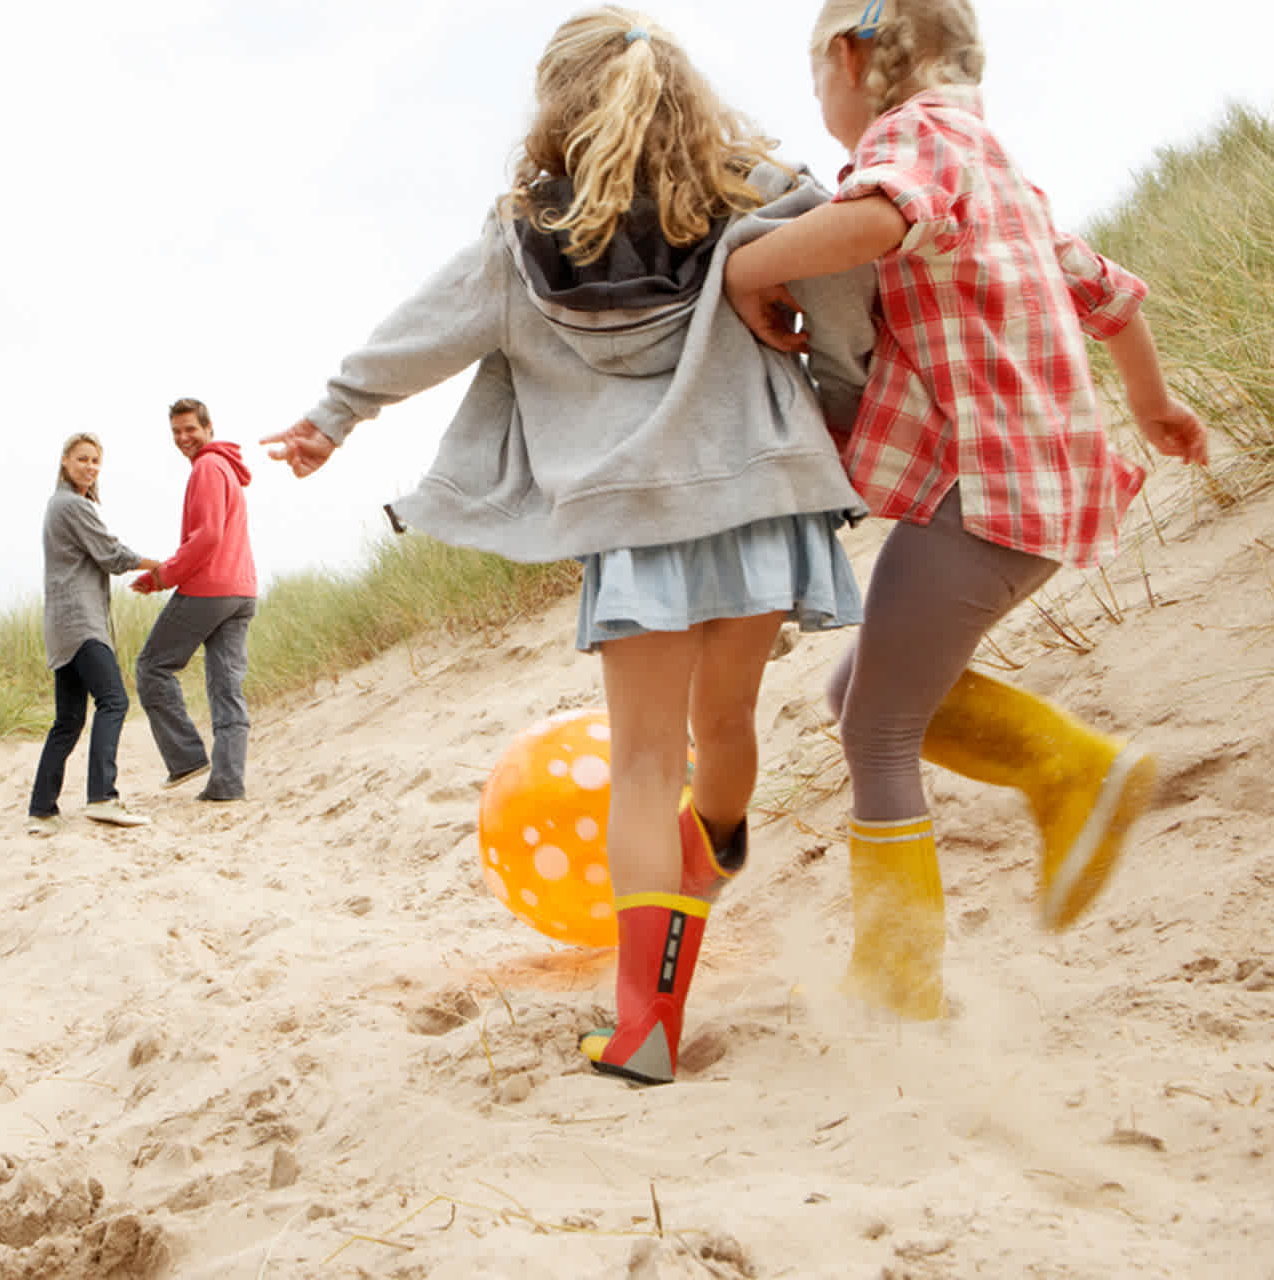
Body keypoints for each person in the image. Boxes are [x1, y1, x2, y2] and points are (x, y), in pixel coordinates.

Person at [263, 8, 880, 1085]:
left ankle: (644, 1029)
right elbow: (847, 303)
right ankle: (721, 836)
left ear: (556, 108)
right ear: (681, 98)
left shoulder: (519, 244)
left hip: (635, 525)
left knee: (643, 763)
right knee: (725, 726)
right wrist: (842, 405)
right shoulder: (764, 198)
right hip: (762, 500)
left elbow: (424, 328)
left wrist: (332, 414)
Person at [721, 0, 1211, 1021]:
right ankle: (1066, 767)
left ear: (856, 58)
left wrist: (746, 266)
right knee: (861, 696)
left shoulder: (914, 137)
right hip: (1037, 486)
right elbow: (1111, 295)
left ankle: (902, 980)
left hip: (981, 490)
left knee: (881, 728)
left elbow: (876, 220)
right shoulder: (991, 162)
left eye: (817, 78)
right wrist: (1156, 406)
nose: (822, 104)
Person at [26, 433, 159, 833]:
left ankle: (42, 811)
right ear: (65, 461)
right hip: (82, 623)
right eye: (82, 459)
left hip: (61, 627)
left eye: (96, 461)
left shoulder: (58, 505)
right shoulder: (72, 505)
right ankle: (102, 797)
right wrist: (163, 567)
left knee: (67, 721)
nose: (90, 467)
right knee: (114, 701)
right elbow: (111, 554)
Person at [131, 397, 258, 803]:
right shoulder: (226, 469)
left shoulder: (206, 466)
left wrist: (162, 577)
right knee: (226, 689)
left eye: (190, 429)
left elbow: (208, 537)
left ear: (208, 429)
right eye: (176, 432)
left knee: (152, 666)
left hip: (210, 590)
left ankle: (186, 758)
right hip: (242, 591)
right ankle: (227, 784)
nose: (183, 438)